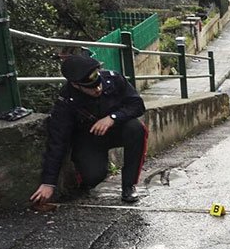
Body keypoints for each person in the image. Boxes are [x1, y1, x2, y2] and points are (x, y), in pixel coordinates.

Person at [30, 55, 147, 205]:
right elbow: (57, 140)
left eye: (99, 85)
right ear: (76, 85)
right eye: (91, 88)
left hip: (117, 130)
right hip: (89, 139)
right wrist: (48, 183)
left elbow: (137, 105)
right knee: (94, 177)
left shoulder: (114, 79)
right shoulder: (66, 101)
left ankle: (128, 186)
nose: (97, 89)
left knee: (136, 129)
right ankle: (86, 179)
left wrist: (112, 117)